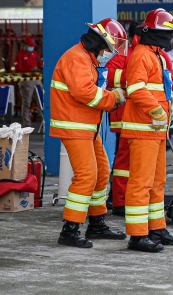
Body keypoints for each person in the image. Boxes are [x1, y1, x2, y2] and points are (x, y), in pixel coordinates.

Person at [50, 18, 128, 248]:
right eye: (107, 49)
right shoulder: (77, 58)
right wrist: (115, 98)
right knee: (87, 176)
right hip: (75, 127)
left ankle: (96, 224)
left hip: (86, 128)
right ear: (97, 43)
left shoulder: (88, 59)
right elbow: (86, 93)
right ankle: (70, 229)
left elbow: (95, 86)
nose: (108, 54)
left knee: (102, 172)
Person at [122, 9, 173, 253]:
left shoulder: (155, 54)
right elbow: (137, 89)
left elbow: (157, 87)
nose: (171, 39)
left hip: (156, 129)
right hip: (144, 128)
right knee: (141, 183)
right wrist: (156, 110)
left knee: (157, 182)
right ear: (157, 33)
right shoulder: (142, 55)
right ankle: (138, 236)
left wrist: (170, 102)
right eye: (168, 33)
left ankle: (156, 228)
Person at [105, 21, 140, 216]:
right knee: (124, 160)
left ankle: (125, 198)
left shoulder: (151, 53)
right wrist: (136, 76)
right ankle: (118, 200)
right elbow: (109, 76)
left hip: (143, 115)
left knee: (136, 162)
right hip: (124, 114)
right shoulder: (123, 52)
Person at [15, 37, 42, 127]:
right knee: (27, 102)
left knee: (42, 101)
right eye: (30, 46)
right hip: (26, 81)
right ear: (25, 45)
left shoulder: (35, 54)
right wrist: (30, 69)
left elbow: (40, 63)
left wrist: (39, 68)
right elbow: (18, 69)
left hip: (37, 79)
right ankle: (27, 124)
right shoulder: (20, 55)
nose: (32, 47)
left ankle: (45, 122)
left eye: (33, 46)